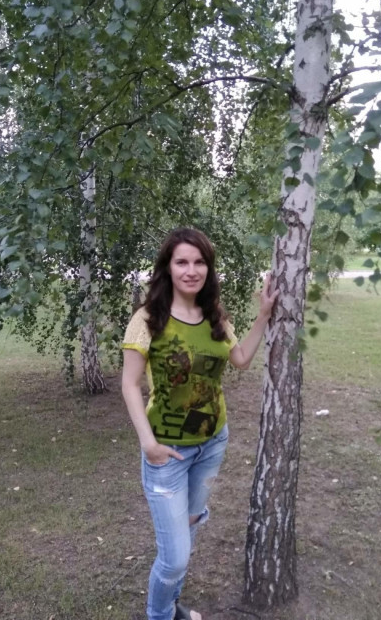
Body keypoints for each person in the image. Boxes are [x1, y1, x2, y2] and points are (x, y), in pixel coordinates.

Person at [121, 227, 279, 620]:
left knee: (189, 530)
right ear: (168, 268)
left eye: (199, 262)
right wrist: (148, 445)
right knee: (174, 557)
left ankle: (171, 606)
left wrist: (263, 315)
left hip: (212, 444)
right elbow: (129, 384)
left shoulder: (213, 316)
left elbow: (240, 359)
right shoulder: (148, 319)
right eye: (182, 262)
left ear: (209, 268)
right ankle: (160, 614)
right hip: (167, 453)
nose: (191, 270)